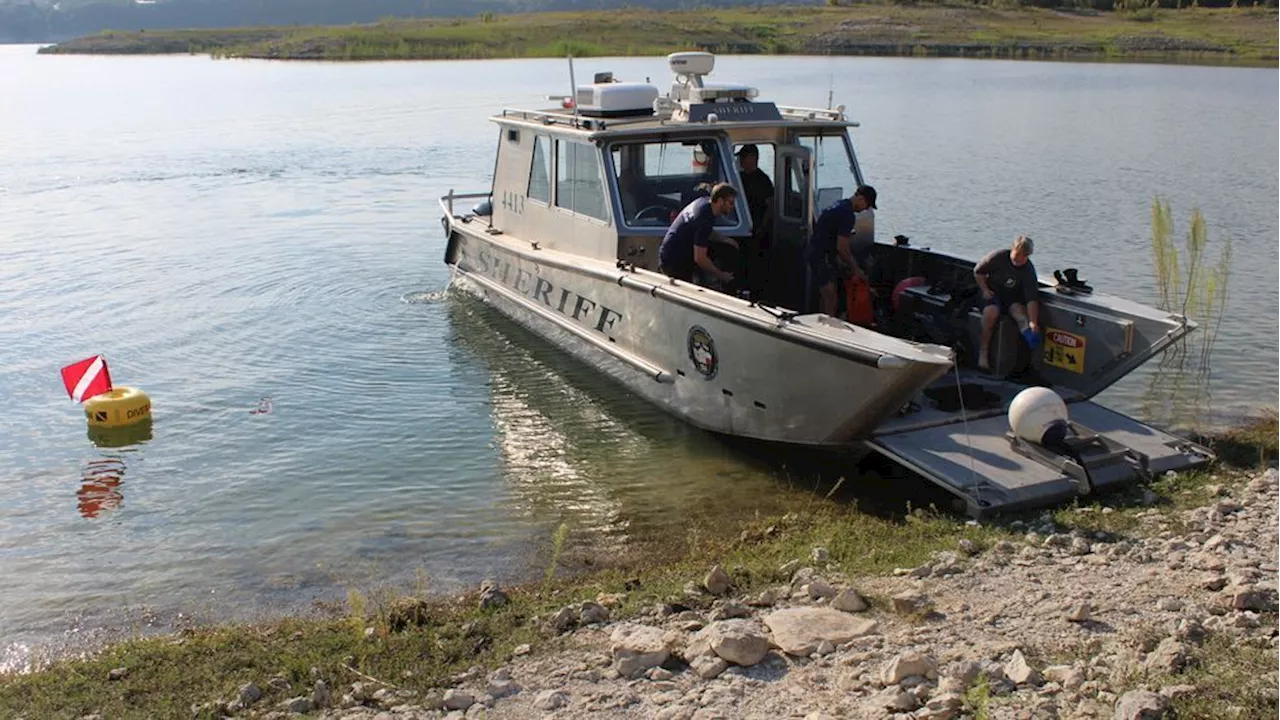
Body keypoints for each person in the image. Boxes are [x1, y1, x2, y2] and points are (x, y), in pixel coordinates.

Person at [974, 234, 1041, 372]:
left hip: (1012, 298)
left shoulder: (1028, 270)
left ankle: (1027, 356)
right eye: (1018, 254)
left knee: (1021, 316)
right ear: (1012, 249)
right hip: (992, 293)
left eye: (1024, 256)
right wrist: (985, 289)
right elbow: (978, 272)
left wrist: (1033, 322)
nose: (1020, 259)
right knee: (991, 312)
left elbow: (1031, 299)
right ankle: (983, 354)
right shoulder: (998, 257)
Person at [807, 184, 877, 316]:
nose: (865, 209)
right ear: (861, 199)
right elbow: (842, 247)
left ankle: (822, 321)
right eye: (867, 205)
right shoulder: (847, 214)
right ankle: (827, 329)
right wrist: (856, 269)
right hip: (822, 255)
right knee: (830, 296)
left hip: (817, 252)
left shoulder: (839, 205)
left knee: (825, 293)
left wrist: (841, 262)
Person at [658, 183, 739, 286]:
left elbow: (703, 230)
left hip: (674, 252)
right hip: (674, 262)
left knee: (727, 248)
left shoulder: (705, 203)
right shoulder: (704, 217)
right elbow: (700, 258)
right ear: (720, 201)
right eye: (731, 203)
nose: (732, 207)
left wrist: (724, 239)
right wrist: (721, 275)